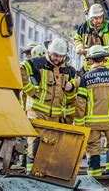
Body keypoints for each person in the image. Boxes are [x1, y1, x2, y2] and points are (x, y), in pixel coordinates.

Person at [20, 38, 77, 172]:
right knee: (35, 143)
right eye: (55, 55)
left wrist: (72, 86)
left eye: (60, 56)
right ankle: (31, 173)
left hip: (55, 115)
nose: (57, 59)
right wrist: (30, 91)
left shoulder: (69, 70)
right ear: (49, 52)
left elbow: (73, 92)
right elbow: (20, 69)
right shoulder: (37, 63)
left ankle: (43, 173)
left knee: (50, 145)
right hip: (37, 111)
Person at [75, 45, 109, 177]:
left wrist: (79, 123)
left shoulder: (85, 78)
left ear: (91, 60)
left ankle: (94, 173)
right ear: (104, 59)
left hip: (91, 122)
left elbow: (80, 103)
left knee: (93, 147)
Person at [74, 3, 109, 71]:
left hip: (108, 67)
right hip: (90, 68)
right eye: (96, 18)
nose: (99, 20)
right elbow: (77, 39)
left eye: (100, 17)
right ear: (91, 18)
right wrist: (79, 47)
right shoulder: (84, 27)